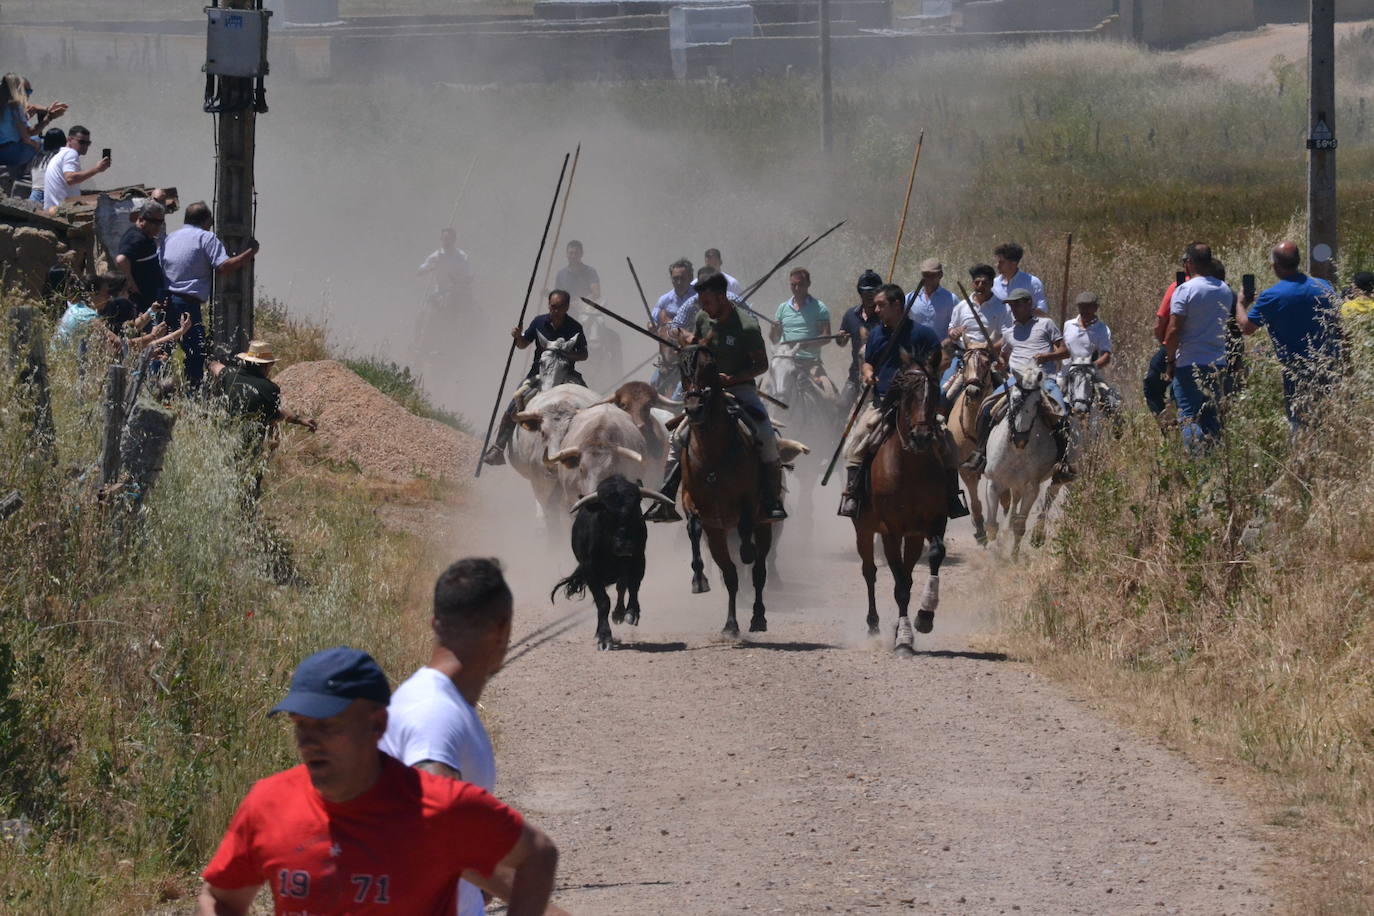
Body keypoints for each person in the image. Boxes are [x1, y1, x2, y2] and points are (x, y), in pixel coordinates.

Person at [195, 646, 559, 916]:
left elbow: (538, 855)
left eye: (326, 725)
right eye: (300, 724)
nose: (308, 741)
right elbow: (218, 899)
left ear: (377, 724)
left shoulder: (437, 806)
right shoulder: (268, 804)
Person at [380, 558, 573, 916]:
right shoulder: (435, 715)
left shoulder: (431, 703)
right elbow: (435, 826)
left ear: (435, 623)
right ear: (502, 630)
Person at [644, 271, 787, 523]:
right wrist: (689, 345)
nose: (704, 307)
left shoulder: (747, 326)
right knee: (678, 437)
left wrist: (732, 379)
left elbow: (761, 364)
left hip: (740, 389)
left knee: (765, 434)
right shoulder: (702, 318)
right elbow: (700, 349)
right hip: (706, 391)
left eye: (708, 302)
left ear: (721, 297)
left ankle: (771, 499)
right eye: (701, 302)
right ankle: (665, 498)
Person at [836, 283, 969, 519]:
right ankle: (853, 496)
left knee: (947, 443)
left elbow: (941, 359)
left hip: (917, 405)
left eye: (881, 305)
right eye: (875, 305)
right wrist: (867, 373)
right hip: (884, 402)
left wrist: (932, 371)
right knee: (855, 444)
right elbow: (868, 361)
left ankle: (951, 496)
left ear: (897, 305)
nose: (876, 310)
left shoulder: (923, 334)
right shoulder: (877, 334)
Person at [962, 288, 1074, 482]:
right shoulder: (1009, 331)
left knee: (1061, 411)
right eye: (1011, 305)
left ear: (1028, 303)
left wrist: (1047, 356)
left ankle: (1062, 463)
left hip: (1042, 379)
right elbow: (1003, 357)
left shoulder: (1046, 324)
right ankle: (980, 453)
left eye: (1017, 304)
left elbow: (1065, 351)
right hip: (1015, 380)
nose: (1013, 308)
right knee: (987, 408)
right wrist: (1001, 363)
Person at [1235, 241, 1344, 433]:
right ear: (1299, 261)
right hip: (1329, 364)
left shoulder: (1272, 296)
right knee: (1328, 419)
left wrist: (1241, 303)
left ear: (1275, 265)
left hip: (1296, 368)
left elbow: (1246, 327)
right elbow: (1339, 325)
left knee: (1299, 421)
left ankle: (1303, 461)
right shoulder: (1325, 286)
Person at [161, 201, 259, 391]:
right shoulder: (206, 238)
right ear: (207, 220)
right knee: (195, 353)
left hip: (165, 301)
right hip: (187, 305)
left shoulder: (170, 238)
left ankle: (157, 388)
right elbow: (223, 267)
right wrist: (250, 252)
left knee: (163, 349)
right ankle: (193, 393)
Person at [482, 290, 588, 465]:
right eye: (552, 306)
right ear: (549, 305)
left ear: (567, 307)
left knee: (587, 404)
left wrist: (566, 356)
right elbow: (523, 344)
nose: (555, 311)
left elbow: (584, 354)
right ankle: (498, 448)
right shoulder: (539, 322)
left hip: (567, 375)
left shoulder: (575, 327)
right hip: (538, 373)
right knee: (514, 404)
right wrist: (517, 337)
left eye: (559, 307)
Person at [1160, 243, 1231, 451]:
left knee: (1189, 417)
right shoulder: (1224, 289)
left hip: (1189, 363)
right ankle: (1214, 468)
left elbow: (1173, 331)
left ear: (1189, 262)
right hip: (1218, 362)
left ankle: (1196, 465)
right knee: (1211, 418)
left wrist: (1170, 361)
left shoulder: (1184, 290)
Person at [943, 263, 1009, 402]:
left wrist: (988, 348)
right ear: (972, 284)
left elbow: (1007, 337)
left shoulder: (1002, 307)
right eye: (976, 282)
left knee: (1007, 394)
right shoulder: (962, 306)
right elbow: (951, 329)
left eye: (984, 283)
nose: (980, 286)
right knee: (942, 393)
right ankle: (940, 421)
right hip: (964, 358)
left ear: (991, 284)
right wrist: (954, 333)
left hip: (989, 360)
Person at [769, 267, 836, 397]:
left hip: (809, 363)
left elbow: (827, 337)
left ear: (808, 284)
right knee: (765, 388)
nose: (797, 288)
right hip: (785, 361)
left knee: (829, 394)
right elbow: (774, 340)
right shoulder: (782, 308)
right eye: (793, 285)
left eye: (801, 285)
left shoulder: (819, 307)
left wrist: (807, 343)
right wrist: (774, 329)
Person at [1060, 291, 1120, 412]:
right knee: (1051, 403)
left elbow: (1106, 355)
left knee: (1113, 403)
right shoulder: (1068, 325)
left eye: (1088, 306)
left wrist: (1092, 367)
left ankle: (1116, 429)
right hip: (1066, 374)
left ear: (1096, 308)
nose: (1085, 310)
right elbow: (1061, 349)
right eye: (1082, 306)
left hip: (1091, 374)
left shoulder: (1102, 329)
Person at [836, 269, 884, 401]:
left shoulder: (884, 316)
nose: (869, 295)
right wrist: (841, 339)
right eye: (865, 291)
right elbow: (841, 343)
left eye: (873, 291)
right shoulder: (850, 315)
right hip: (855, 374)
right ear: (860, 292)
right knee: (840, 407)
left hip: (879, 375)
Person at [42, 124, 108, 214]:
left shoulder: (60, 154)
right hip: (61, 212)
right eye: (81, 142)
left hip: (53, 209)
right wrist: (97, 169)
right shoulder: (71, 153)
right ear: (69, 140)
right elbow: (70, 178)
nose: (85, 146)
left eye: (88, 143)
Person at [116, 200, 168, 312]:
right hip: (142, 303)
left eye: (160, 222)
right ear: (141, 219)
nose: (158, 226)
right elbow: (121, 260)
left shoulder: (145, 237)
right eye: (154, 222)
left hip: (151, 301)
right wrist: (131, 283)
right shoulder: (136, 237)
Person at [417, 227, 474, 309]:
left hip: (458, 293)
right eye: (444, 238)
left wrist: (461, 281)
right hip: (440, 293)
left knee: (473, 310)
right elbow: (419, 271)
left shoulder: (462, 256)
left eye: (448, 238)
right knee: (424, 311)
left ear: (454, 240)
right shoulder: (436, 256)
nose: (446, 241)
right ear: (441, 239)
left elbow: (468, 275)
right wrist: (430, 268)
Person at [905, 258, 957, 339]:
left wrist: (947, 342)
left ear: (940, 275)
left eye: (932, 275)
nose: (928, 278)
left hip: (941, 349)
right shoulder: (909, 298)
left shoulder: (951, 299)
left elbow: (957, 326)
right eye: (925, 275)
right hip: (915, 349)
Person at [991, 242, 1048, 314]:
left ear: (1014, 262)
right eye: (997, 262)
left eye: (1001, 262)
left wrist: (1023, 316)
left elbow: (1042, 309)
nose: (997, 265)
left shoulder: (1032, 283)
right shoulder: (994, 284)